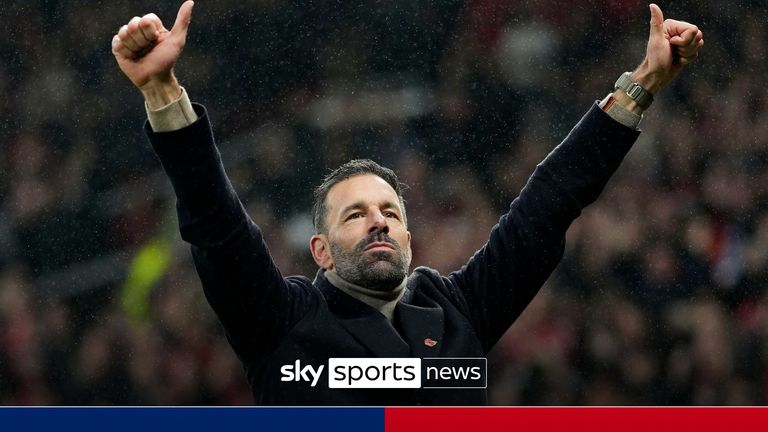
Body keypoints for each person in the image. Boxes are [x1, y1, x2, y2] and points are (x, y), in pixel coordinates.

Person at [111, 1, 703, 405]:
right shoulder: (281, 323)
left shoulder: (457, 311)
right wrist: (163, 94)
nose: (379, 223)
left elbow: (547, 206)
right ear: (319, 250)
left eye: (391, 213)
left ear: (410, 240)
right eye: (356, 214)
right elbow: (218, 228)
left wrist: (641, 86)